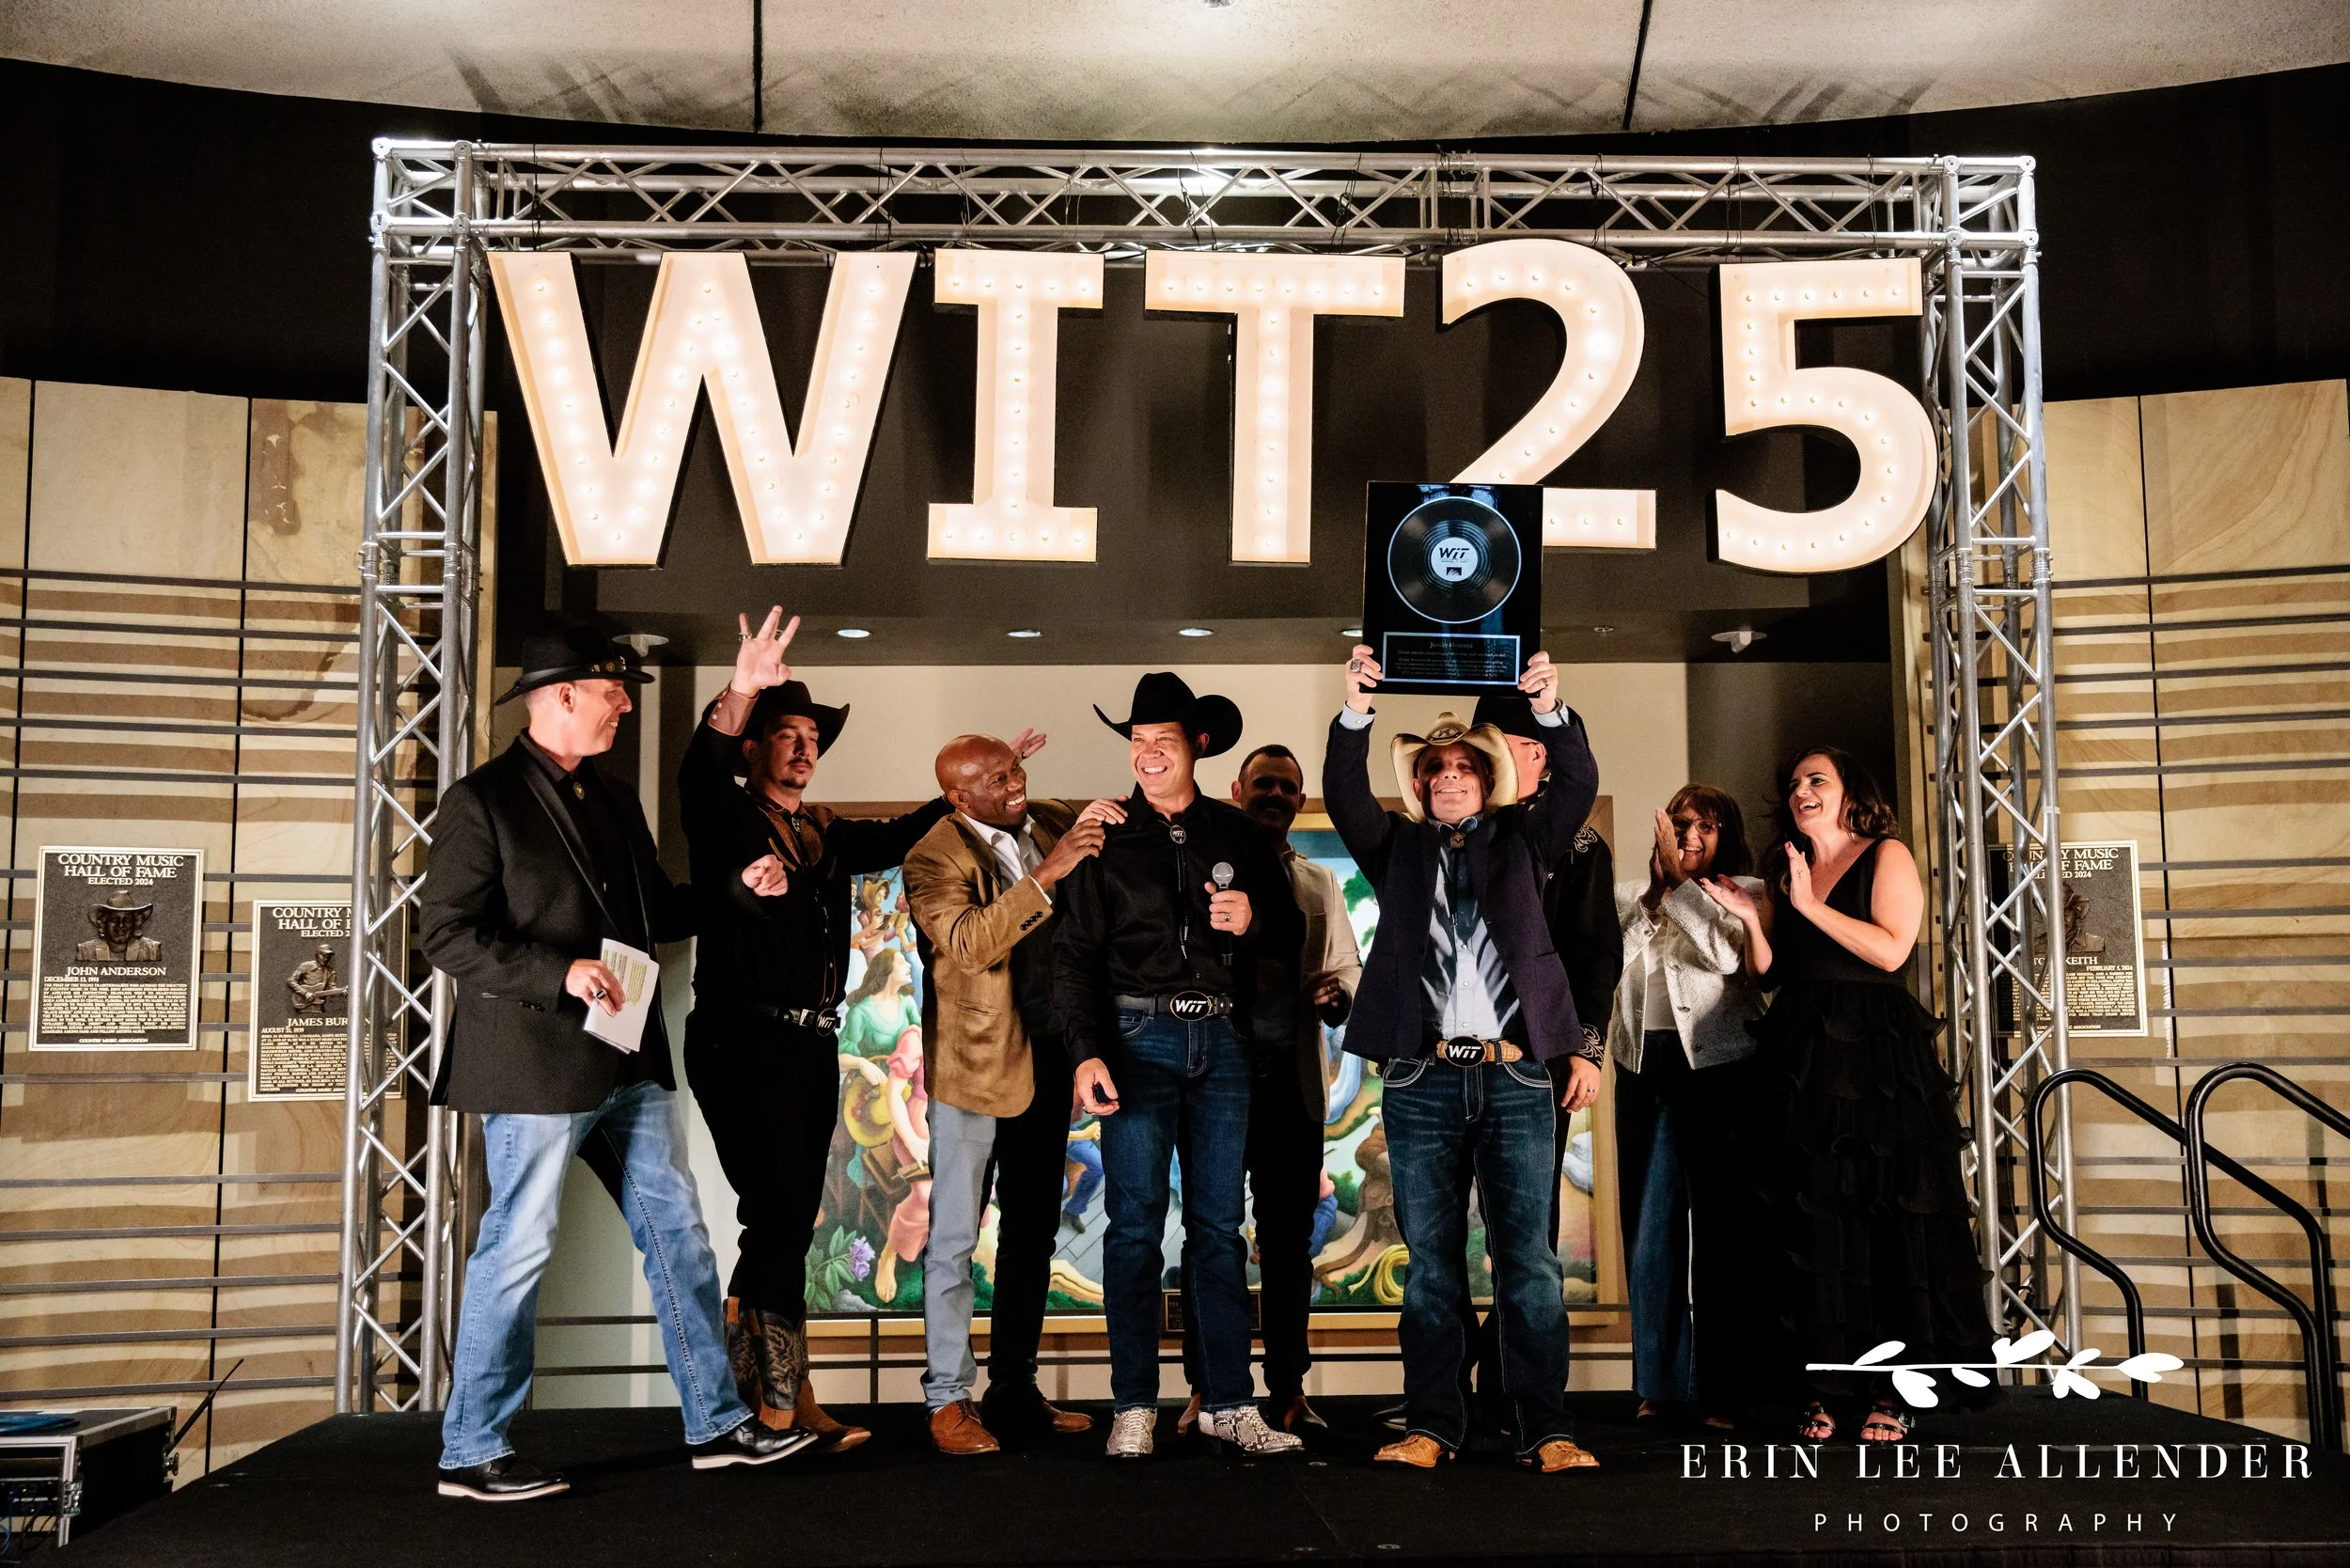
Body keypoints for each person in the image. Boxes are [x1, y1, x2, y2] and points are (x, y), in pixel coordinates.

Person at [420, 624, 808, 1501]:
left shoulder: (615, 798)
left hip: (627, 1061)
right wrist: (559, 973)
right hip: (535, 1070)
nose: (625, 705)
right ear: (562, 695)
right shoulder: (480, 803)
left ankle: (716, 1425)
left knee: (682, 1240)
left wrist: (738, 896)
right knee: (517, 1252)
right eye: (612, 692)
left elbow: (663, 912)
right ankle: (470, 1451)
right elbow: (443, 935)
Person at [677, 607, 953, 1450]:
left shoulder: (822, 834)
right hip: (740, 1038)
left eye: (810, 736)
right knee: (778, 1211)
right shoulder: (725, 816)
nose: (802, 747)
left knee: (787, 1222)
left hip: (807, 1043)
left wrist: (969, 791)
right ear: (753, 748)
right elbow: (699, 772)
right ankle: (771, 1405)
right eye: (784, 734)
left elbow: (902, 835)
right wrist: (738, 692)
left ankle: (781, 1398)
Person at [1324, 644, 1603, 1472]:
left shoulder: (1529, 842)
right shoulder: (1396, 849)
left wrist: (1553, 708)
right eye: (1434, 770)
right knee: (1431, 1270)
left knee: (1531, 1266)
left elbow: (1579, 784)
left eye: (1462, 767)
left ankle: (1546, 1431)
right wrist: (1354, 712)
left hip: (1518, 1075)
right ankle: (1432, 1428)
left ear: (1488, 779)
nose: (1447, 777)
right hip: (1421, 1077)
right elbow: (1344, 794)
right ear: (1419, 785)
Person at [1698, 746, 1992, 1445]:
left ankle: (1896, 1392)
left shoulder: (1885, 854)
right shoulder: (1787, 867)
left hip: (1874, 1055)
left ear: (1849, 793)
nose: (1801, 789)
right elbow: (1769, 975)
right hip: (1800, 1054)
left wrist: (1806, 905)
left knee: (1880, 1215)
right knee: (1810, 1221)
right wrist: (1752, 914)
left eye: (1816, 780)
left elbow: (1892, 950)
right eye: (1794, 781)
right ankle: (1822, 1389)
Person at [1050, 672, 1305, 1459]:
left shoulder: (1240, 835)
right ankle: (1134, 1404)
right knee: (1132, 1231)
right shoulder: (1102, 835)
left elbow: (1290, 932)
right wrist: (1084, 1052)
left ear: (1196, 746)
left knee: (1219, 1230)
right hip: (1133, 1043)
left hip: (1223, 1043)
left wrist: (1258, 920)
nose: (1147, 756)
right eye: (1136, 743)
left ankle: (1231, 1402)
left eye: (1161, 742)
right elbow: (1073, 956)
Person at [901, 732, 1118, 1455]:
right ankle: (947, 1398)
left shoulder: (1048, 820)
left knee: (1032, 1237)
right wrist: (1047, 875)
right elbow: (967, 943)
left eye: (1015, 768)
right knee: (956, 1239)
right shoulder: (933, 855)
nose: (1014, 783)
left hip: (1052, 1060)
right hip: (974, 1072)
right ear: (959, 798)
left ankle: (1015, 1390)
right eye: (994, 778)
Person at [1172, 743, 1364, 1437]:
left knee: (1289, 1243)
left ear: (1301, 797)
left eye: (1288, 786)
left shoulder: (1318, 885)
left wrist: (1337, 995)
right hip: (1211, 1081)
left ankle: (1288, 1391)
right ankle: (1207, 1390)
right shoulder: (1199, 871)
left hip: (1291, 1081)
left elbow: (1348, 973)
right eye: (1263, 784)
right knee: (1209, 1239)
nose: (1275, 795)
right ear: (1235, 788)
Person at [1461, 693, 1622, 1429]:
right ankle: (1460, 1383)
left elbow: (1597, 956)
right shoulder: (1451, 836)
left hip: (1534, 1064)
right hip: (1444, 1067)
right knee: (1434, 1235)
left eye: (1508, 743)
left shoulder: (1577, 846)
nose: (1490, 755)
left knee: (1524, 1238)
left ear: (1539, 757)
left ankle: (1515, 1396)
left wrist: (1586, 1051)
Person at [1609, 785, 1765, 1427]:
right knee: (1649, 1234)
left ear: (1727, 834)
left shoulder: (1746, 890)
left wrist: (1682, 890)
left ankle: (1724, 1387)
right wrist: (1655, 897)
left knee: (1723, 1233)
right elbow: (1605, 967)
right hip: (1643, 1068)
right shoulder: (1626, 898)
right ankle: (1661, 1384)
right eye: (1681, 824)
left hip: (1721, 1070)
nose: (1692, 836)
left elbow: (1726, 954)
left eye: (1707, 825)